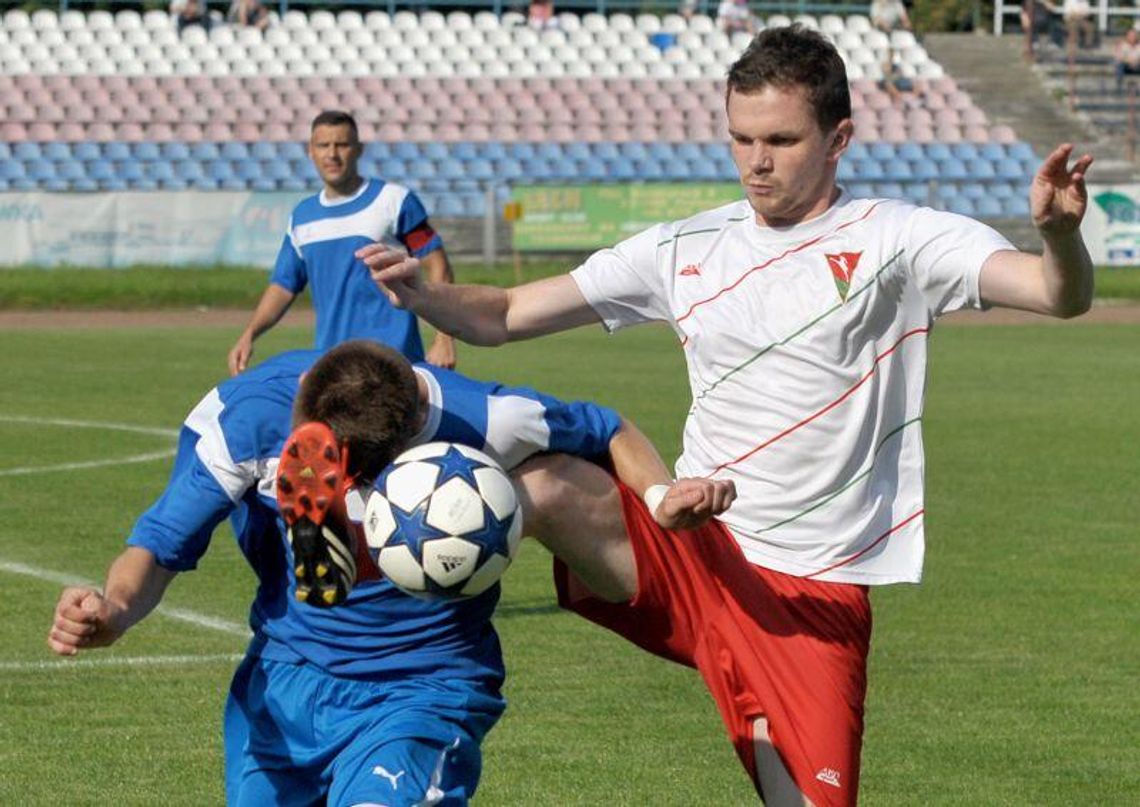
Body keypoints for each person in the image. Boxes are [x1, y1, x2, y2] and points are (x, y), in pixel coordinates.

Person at [357, 24, 1095, 806]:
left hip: (811, 595)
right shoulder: (685, 246)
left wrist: (1058, 238)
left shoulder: (899, 240)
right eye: (741, 138)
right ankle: (414, 688)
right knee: (537, 485)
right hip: (691, 549)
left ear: (839, 137)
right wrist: (425, 294)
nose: (756, 160)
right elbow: (504, 311)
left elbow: (1058, 294)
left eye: (780, 138)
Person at [47, 340, 730, 805]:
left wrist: (660, 494)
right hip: (286, 680)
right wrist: (112, 609)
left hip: (426, 686)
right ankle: (326, 539)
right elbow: (161, 544)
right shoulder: (242, 422)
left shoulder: (481, 415)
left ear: (409, 440)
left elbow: (607, 426)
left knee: (555, 475)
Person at [227, 110, 457, 376]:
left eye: (342, 145)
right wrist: (249, 334)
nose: (332, 154)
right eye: (323, 145)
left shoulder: (394, 201)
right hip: (333, 367)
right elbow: (283, 286)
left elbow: (438, 265)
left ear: (358, 150)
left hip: (395, 362)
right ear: (311, 151)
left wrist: (444, 338)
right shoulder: (302, 217)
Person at [1115, 27, 1140, 93]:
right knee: (1119, 65)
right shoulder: (1122, 45)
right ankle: (1119, 86)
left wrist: (1137, 61)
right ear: (1126, 36)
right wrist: (1129, 61)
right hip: (1126, 65)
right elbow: (1119, 57)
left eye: (1134, 35)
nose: (1132, 37)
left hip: (1138, 65)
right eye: (1130, 35)